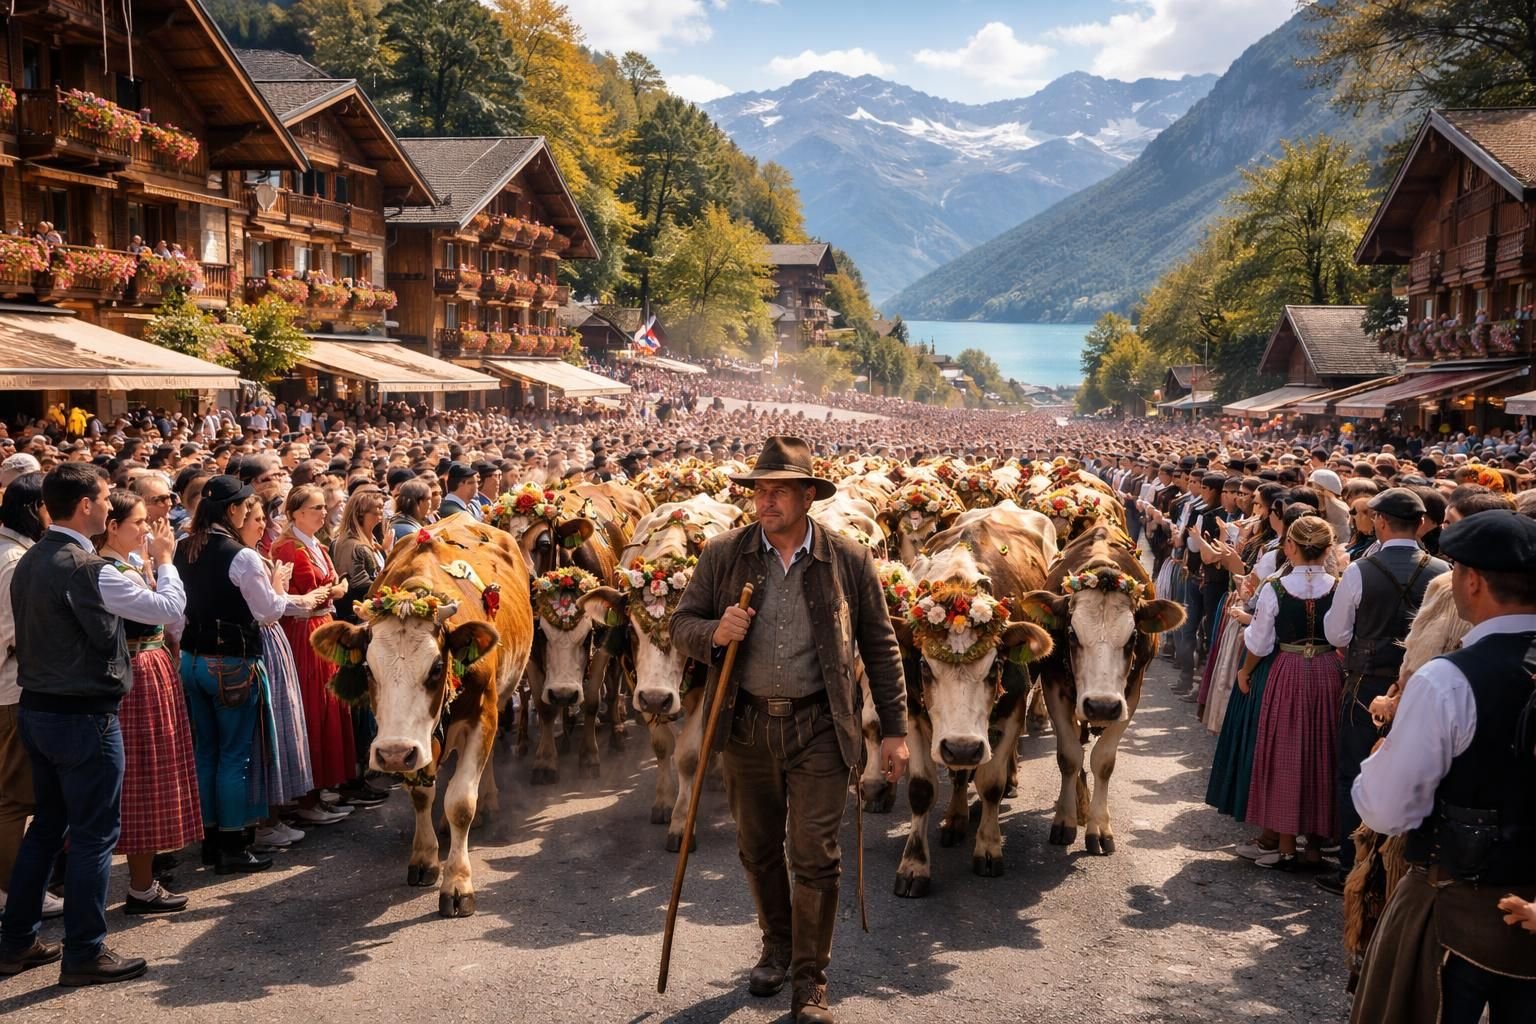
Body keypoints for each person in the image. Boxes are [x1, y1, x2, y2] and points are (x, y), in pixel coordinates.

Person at [670, 435, 909, 1024]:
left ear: (808, 495)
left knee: (816, 855)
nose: (765, 499)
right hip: (747, 722)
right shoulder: (725, 554)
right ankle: (775, 946)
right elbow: (681, 625)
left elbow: (880, 646)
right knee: (757, 850)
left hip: (821, 726)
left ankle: (810, 980)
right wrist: (714, 633)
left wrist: (894, 730)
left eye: (778, 489)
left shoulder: (847, 559)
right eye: (759, 489)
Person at [0, 463, 183, 986]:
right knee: (93, 836)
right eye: (105, 498)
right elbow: (166, 608)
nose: (110, 504)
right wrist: (164, 562)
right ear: (85, 506)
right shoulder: (88, 567)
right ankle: (83, 950)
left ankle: (15, 942)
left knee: (49, 830)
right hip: (81, 714)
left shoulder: (29, 557)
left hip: (39, 708)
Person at [1350, 510, 1536, 1024]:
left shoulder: (1445, 681)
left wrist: (1379, 761)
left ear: (1471, 580)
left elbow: (1387, 812)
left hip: (1453, 901)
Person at [1320, 487, 1447, 894]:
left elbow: (1336, 631)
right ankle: (1394, 868)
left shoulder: (1360, 568)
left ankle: (1350, 866)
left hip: (1365, 682)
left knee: (1354, 771)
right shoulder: (1443, 571)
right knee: (1411, 774)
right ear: (1421, 524)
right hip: (1420, 686)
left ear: (1381, 522)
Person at [96, 490, 199, 914]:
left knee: (150, 774)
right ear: (113, 527)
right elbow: (169, 610)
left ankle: (144, 880)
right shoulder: (110, 570)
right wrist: (166, 561)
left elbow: (175, 620)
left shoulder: (129, 566)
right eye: (137, 522)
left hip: (150, 669)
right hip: (136, 675)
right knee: (142, 777)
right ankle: (139, 883)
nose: (146, 529)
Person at [174, 475, 278, 874]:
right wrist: (280, 589)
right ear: (233, 511)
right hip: (230, 661)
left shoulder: (184, 548)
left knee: (208, 752)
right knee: (234, 756)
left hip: (193, 659)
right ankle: (232, 844)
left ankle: (211, 838)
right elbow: (266, 612)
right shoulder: (241, 554)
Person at [1239, 514, 1342, 873]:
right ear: (1329, 548)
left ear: (1290, 547)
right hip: (1329, 670)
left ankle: (1285, 847)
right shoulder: (1339, 585)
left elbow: (1260, 640)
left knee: (1285, 752)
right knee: (1322, 752)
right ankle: (1315, 846)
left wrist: (1246, 670)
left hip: (1288, 669)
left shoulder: (1275, 586)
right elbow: (1343, 636)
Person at [0, 473, 63, 920]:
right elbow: (9, 632)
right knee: (14, 798)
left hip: (19, 687)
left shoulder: (15, 553)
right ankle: (12, 890)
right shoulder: (13, 560)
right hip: (11, 690)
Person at [271, 486, 355, 820]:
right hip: (305, 630)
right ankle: (307, 795)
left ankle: (322, 788)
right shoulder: (288, 547)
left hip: (323, 624)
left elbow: (329, 585)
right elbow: (296, 595)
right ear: (296, 513)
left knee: (329, 708)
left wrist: (333, 591)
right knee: (313, 708)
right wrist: (331, 591)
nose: (323, 512)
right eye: (315, 507)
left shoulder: (316, 545)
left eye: (324, 507)